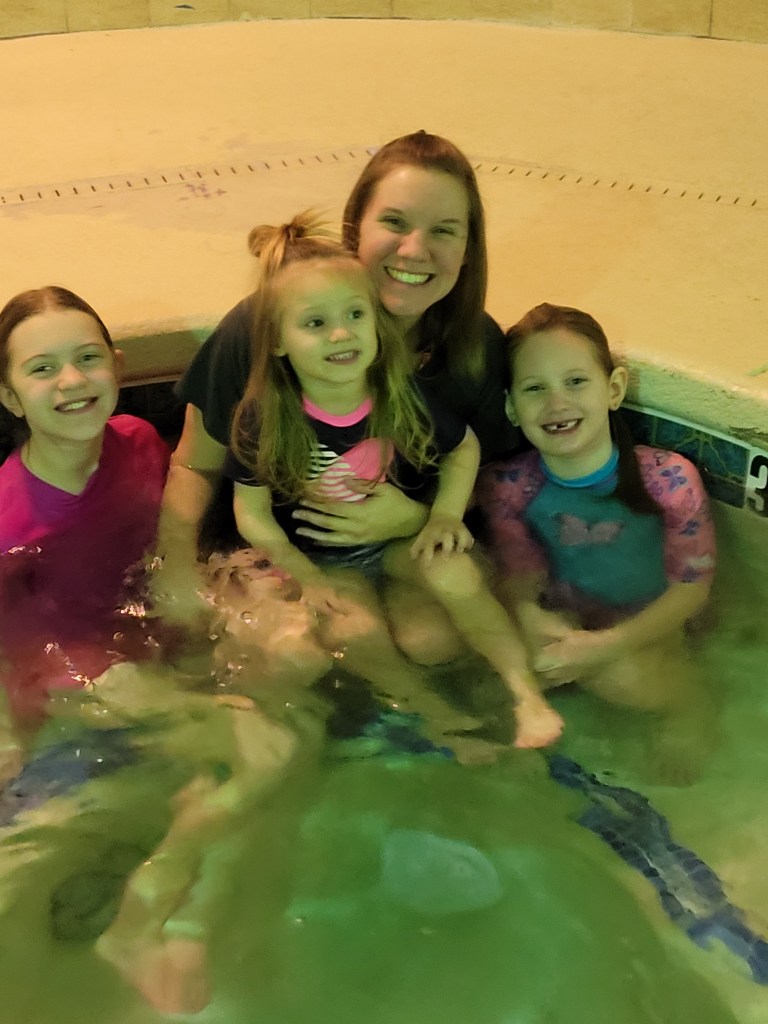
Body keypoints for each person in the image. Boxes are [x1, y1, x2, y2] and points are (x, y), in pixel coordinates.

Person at [224, 213, 562, 751]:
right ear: (279, 341)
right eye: (315, 323)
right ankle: (437, 716)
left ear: (376, 325)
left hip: (394, 542)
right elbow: (251, 513)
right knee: (351, 631)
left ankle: (525, 693)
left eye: (355, 314)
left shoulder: (399, 392)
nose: (341, 334)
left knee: (454, 574)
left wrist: (445, 516)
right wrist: (304, 575)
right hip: (327, 560)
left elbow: (463, 449)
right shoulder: (263, 416)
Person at [154, 131, 519, 623]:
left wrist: (415, 518)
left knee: (434, 642)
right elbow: (195, 464)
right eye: (394, 222)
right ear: (355, 231)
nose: (415, 250)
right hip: (276, 558)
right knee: (317, 644)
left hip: (396, 548)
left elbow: (493, 474)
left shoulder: (475, 346)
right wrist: (175, 568)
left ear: (469, 249)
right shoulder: (264, 327)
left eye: (444, 230)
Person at [476, 303, 717, 779]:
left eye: (575, 382)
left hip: (653, 625)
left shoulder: (668, 482)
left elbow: (692, 589)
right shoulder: (508, 486)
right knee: (495, 670)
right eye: (535, 388)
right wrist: (533, 619)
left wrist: (605, 647)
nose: (556, 403)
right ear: (511, 407)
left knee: (621, 675)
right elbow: (521, 574)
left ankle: (690, 704)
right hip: (572, 617)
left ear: (614, 389)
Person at [0, 286, 170, 745]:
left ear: (118, 367)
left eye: (88, 358)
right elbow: (18, 651)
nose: (72, 380)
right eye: (43, 368)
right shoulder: (7, 520)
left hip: (151, 635)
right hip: (76, 684)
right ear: (10, 397)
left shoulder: (141, 442)